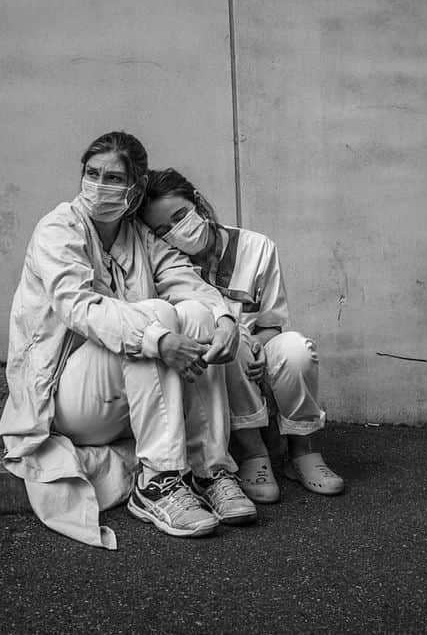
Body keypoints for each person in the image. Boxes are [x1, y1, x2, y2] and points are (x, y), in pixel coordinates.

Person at [0, 132, 256, 550]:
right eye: (92, 173)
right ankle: (157, 484)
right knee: (154, 317)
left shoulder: (139, 236)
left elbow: (187, 282)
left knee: (193, 313)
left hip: (124, 397)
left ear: (134, 189)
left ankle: (210, 471)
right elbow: (79, 308)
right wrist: (157, 337)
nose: (99, 184)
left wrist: (224, 318)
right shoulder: (58, 230)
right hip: (66, 399)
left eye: (113, 177)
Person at [140, 168, 344, 504]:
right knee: (226, 345)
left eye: (180, 216)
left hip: (257, 349)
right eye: (164, 230)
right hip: (214, 368)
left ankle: (303, 452)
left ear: (198, 204)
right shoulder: (168, 267)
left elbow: (271, 322)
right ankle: (253, 455)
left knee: (296, 350)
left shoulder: (257, 247)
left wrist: (260, 345)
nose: (176, 231)